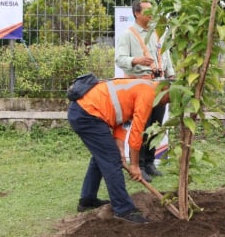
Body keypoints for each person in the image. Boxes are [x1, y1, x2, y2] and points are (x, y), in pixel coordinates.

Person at [68, 78, 170, 224]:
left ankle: (87, 200)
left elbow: (120, 120)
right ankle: (124, 209)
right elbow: (136, 133)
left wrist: (121, 150)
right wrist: (134, 165)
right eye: (167, 99)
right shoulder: (148, 94)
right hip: (87, 113)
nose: (165, 103)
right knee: (111, 159)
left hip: (84, 111)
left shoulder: (144, 87)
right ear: (164, 90)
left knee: (102, 156)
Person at [115, 0, 175, 182]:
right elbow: (120, 59)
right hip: (140, 86)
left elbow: (165, 55)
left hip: (159, 85)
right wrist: (136, 60)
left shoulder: (157, 33)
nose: (152, 15)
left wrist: (171, 75)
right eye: (148, 12)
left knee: (156, 124)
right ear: (137, 13)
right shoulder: (128, 35)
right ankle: (139, 164)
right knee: (142, 125)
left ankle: (150, 161)